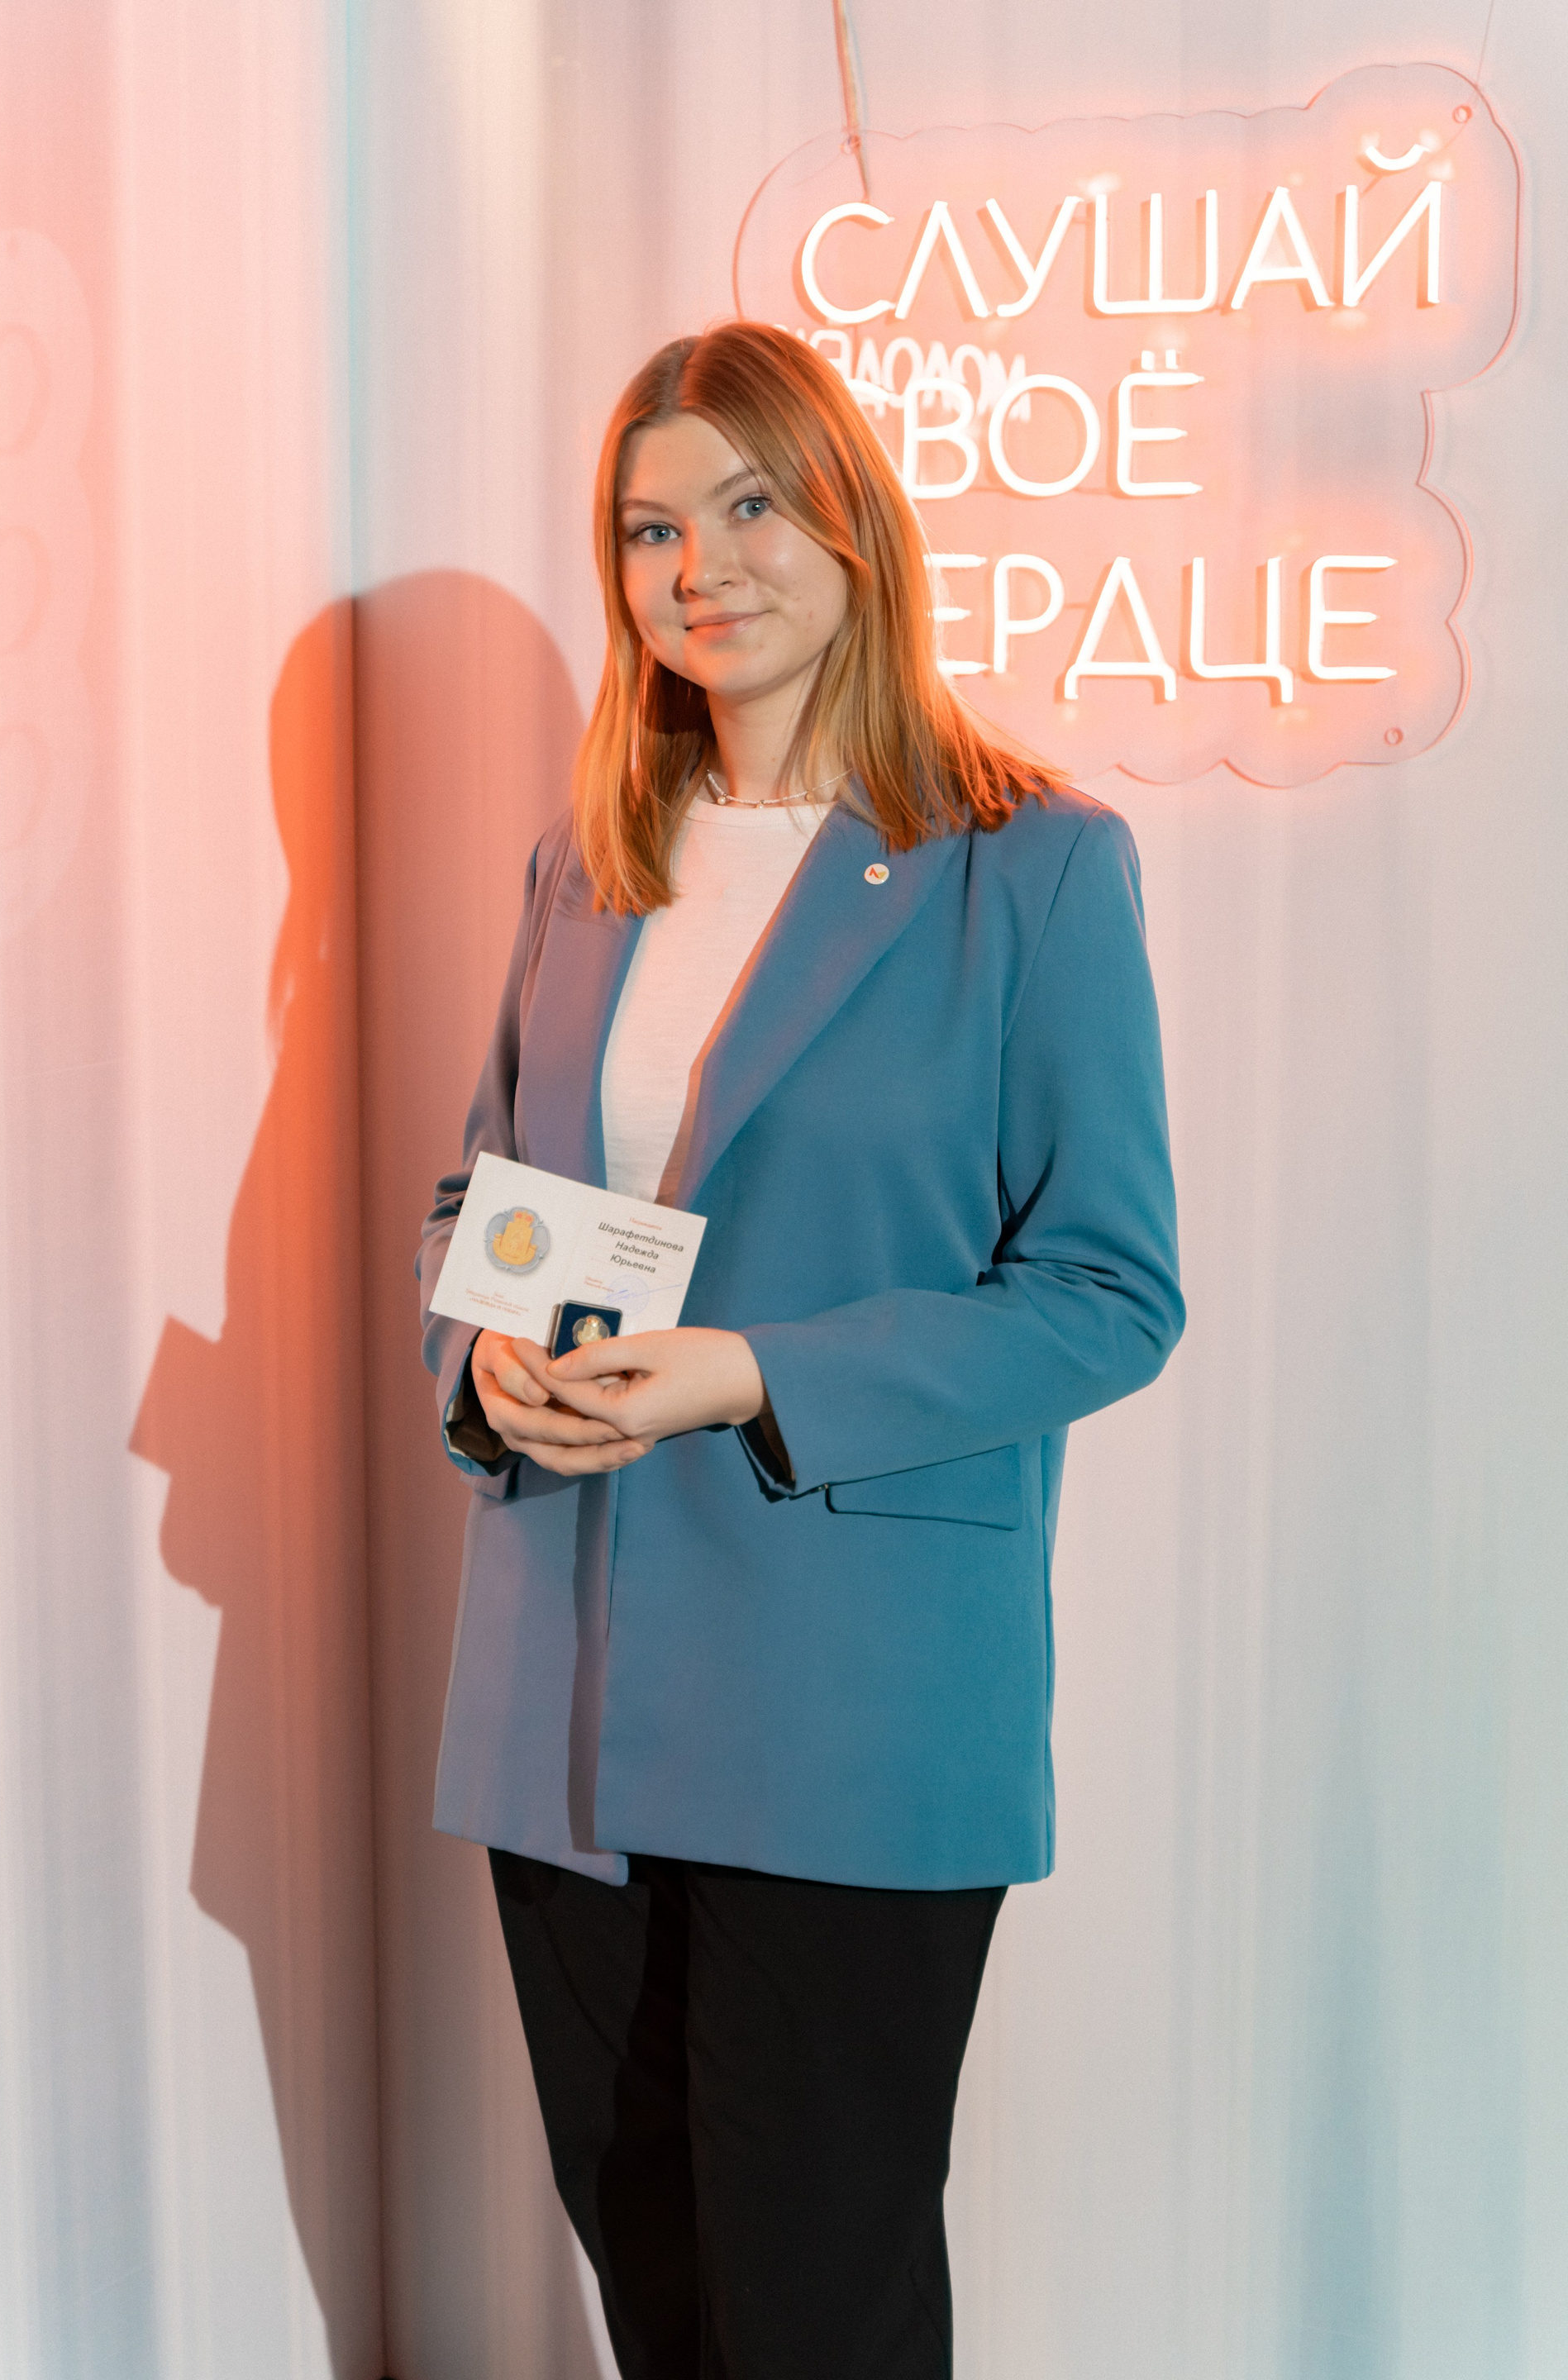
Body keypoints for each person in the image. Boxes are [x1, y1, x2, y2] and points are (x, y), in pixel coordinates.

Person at [417, 321, 1183, 2378]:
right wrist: (482, 1367)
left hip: (850, 1707)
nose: (701, 565)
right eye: (650, 527)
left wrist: (752, 1373)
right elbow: (480, 1205)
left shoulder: (1032, 867)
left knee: (817, 2316)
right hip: (563, 1701)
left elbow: (1108, 1292)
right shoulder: (589, 864)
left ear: (853, 522)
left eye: (750, 503)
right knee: (658, 2290)